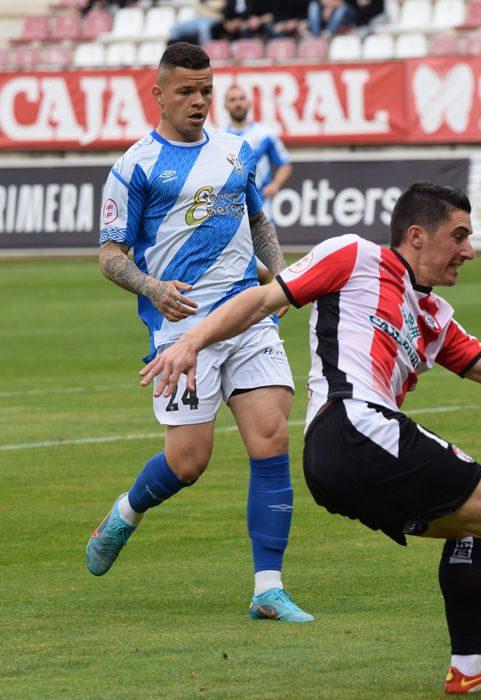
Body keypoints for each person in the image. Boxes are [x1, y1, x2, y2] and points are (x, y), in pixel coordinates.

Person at [139, 182, 481, 693]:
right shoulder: (355, 256)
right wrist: (192, 342)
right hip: (350, 425)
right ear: (416, 236)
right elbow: (262, 300)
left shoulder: (434, 315)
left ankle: (470, 667)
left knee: (473, 527)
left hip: (351, 455)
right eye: (459, 236)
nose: (469, 250)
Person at [86, 42, 311, 623]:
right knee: (188, 461)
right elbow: (110, 255)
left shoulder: (238, 151)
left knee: (272, 439)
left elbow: (257, 221)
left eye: (205, 90)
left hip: (247, 317)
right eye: (186, 91)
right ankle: (125, 513)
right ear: (158, 94)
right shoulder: (133, 167)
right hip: (181, 326)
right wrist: (152, 287)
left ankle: (268, 588)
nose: (198, 101)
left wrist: (281, 279)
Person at [224, 84, 293, 283]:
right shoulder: (221, 138)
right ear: (226, 105)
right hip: (232, 207)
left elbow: (285, 164)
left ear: (248, 103)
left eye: (240, 99)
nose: (237, 103)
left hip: (261, 205)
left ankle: (257, 307)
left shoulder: (265, 134)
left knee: (263, 271)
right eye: (233, 100)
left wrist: (276, 184)